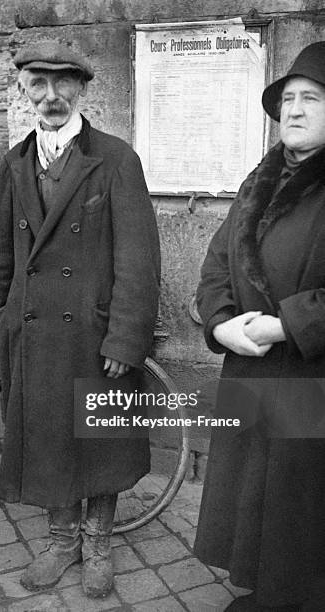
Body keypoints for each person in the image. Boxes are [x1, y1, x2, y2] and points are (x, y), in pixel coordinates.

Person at [0, 42, 160, 598]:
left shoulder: (115, 158)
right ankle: (62, 543)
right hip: (33, 331)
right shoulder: (14, 162)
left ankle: (98, 544)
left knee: (99, 437)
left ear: (83, 89)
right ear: (22, 89)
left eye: (64, 83)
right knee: (52, 436)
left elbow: (138, 257)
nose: (52, 96)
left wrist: (126, 338)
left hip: (93, 332)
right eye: (38, 83)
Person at [194, 42, 325, 611]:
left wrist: (285, 325)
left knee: (300, 492)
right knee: (254, 488)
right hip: (249, 363)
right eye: (287, 99)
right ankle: (268, 590)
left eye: (311, 99)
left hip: (307, 371)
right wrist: (221, 323)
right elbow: (219, 261)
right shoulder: (260, 179)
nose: (292, 111)